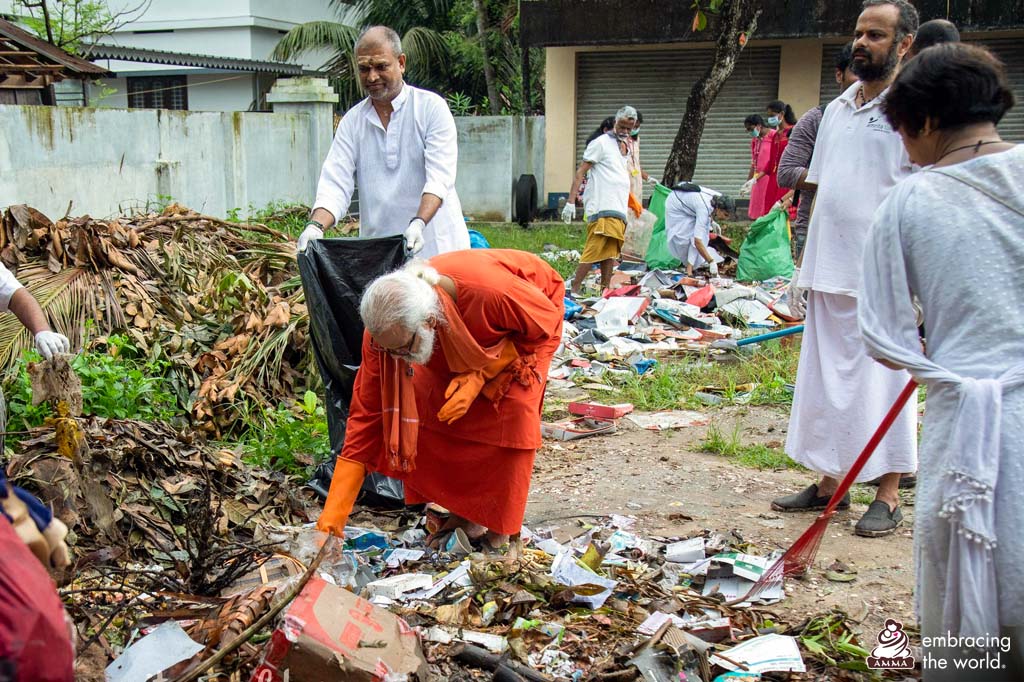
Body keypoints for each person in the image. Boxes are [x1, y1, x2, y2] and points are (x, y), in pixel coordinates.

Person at [860, 43, 1021, 678]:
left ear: (924, 123)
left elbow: (881, 334)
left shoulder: (909, 202)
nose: (904, 149)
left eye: (902, 131)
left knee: (961, 584)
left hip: (969, 421)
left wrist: (938, 360)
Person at [772, 0, 920, 538]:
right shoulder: (836, 110)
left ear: (904, 44)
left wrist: (921, 280)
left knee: (885, 381)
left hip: (886, 274)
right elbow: (825, 192)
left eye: (875, 35)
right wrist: (803, 270)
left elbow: (924, 197)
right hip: (828, 268)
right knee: (827, 382)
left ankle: (887, 492)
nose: (861, 43)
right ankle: (831, 479)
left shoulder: (914, 110)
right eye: (859, 33)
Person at [317, 250, 564, 549]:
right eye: (389, 350)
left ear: (429, 322)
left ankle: (502, 530)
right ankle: (466, 515)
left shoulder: (490, 293)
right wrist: (332, 519)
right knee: (433, 405)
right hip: (463, 335)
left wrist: (480, 375)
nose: (395, 358)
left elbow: (542, 328)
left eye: (402, 349)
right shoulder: (386, 335)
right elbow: (366, 414)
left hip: (532, 320)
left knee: (512, 411)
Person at [296, 26, 469, 258]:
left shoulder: (430, 108)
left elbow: (439, 178)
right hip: (381, 254)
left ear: (401, 63)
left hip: (438, 248)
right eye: (364, 69)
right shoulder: (353, 122)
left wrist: (418, 223)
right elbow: (335, 182)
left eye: (381, 66)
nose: (372, 76)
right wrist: (315, 227)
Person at [777, 42, 858, 260]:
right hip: (816, 231)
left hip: (866, 234)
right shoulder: (817, 119)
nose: (862, 82)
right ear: (839, 75)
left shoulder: (891, 119)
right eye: (856, 72)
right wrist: (839, 180)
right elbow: (786, 172)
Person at [563, 106, 637, 294]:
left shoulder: (625, 147)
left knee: (610, 253)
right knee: (595, 248)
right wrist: (570, 201)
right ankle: (575, 287)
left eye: (629, 129)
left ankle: (605, 290)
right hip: (602, 205)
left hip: (618, 207)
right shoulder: (601, 143)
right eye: (622, 127)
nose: (625, 132)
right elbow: (581, 172)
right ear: (615, 122)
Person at [663, 183, 735, 277]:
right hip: (676, 204)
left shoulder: (720, 198)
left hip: (689, 202)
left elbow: (708, 213)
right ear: (718, 208)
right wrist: (711, 261)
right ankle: (689, 269)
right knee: (687, 238)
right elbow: (698, 241)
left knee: (702, 233)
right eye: (725, 215)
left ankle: (690, 269)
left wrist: (711, 221)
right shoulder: (704, 208)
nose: (726, 219)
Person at [740, 114, 776, 219]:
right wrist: (748, 182)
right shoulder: (755, 140)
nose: (750, 132)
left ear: (759, 125)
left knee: (768, 210)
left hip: (770, 178)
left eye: (750, 129)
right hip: (757, 180)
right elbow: (753, 163)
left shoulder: (774, 136)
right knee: (756, 212)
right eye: (747, 130)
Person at [764, 99, 797, 207]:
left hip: (788, 177)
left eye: (772, 115)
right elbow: (771, 160)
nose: (770, 119)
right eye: (768, 116)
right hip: (774, 179)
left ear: (782, 114)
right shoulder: (775, 135)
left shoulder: (794, 132)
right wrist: (755, 179)